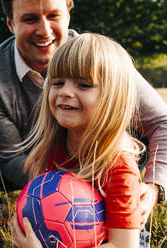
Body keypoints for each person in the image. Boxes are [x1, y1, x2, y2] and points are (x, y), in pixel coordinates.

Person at [0, 0, 167, 228]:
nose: (44, 30)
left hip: (101, 162)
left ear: (68, 15)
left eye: (53, 16)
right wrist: (61, 191)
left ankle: (111, 202)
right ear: (11, 24)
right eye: (30, 19)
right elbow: (9, 158)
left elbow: (162, 121)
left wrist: (153, 188)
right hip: (33, 162)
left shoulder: (103, 59)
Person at [9, 32, 144, 248]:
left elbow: (123, 245)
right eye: (58, 82)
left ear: (112, 97)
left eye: (84, 85)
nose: (66, 92)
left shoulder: (119, 165)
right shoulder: (52, 147)